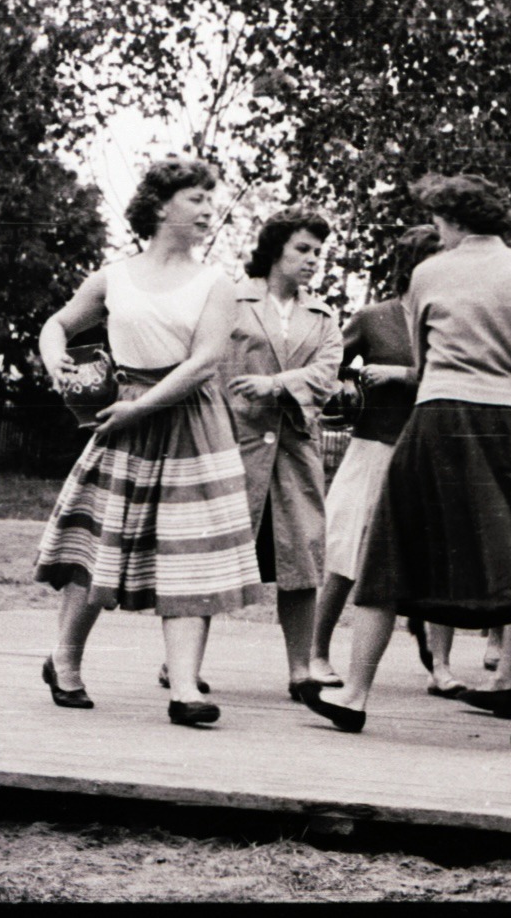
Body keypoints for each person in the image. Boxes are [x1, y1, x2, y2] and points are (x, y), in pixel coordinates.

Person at [301, 173, 511, 755]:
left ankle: (352, 696)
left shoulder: (429, 273)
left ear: (451, 222)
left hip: (440, 423)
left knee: (389, 555)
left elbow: (425, 365)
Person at [32, 157, 262, 727]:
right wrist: (55, 356)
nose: (209, 210)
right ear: (161, 206)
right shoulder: (114, 276)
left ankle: (184, 688)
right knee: (98, 545)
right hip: (120, 420)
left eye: (212, 201)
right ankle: (64, 662)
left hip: (190, 423)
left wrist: (139, 409)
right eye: (196, 199)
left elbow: (206, 361)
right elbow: (57, 324)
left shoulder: (218, 282)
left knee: (193, 554)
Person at [306, 225, 463, 697]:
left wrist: (401, 374)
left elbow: (458, 376)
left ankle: (441, 666)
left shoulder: (455, 317)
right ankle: (316, 653)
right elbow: (327, 367)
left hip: (435, 450)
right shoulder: (374, 318)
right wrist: (343, 390)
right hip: (375, 448)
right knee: (345, 553)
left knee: (440, 559)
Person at [222, 208, 344, 700]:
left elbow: (328, 373)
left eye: (319, 252)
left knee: (302, 561)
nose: (313, 260)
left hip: (295, 454)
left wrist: (275, 385)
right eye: (303, 249)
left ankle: (300, 671)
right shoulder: (231, 300)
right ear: (275, 249)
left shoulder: (323, 316)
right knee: (218, 556)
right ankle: (179, 662)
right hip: (235, 447)